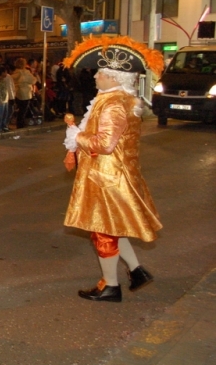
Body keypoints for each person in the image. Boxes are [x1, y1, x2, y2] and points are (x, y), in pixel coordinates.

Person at [63, 37, 163, 303]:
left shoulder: (114, 104)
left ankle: (110, 286)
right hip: (113, 174)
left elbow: (105, 144)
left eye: (101, 73)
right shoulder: (115, 99)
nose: (95, 76)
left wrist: (76, 137)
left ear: (114, 77)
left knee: (103, 231)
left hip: (106, 177)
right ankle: (136, 270)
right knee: (113, 227)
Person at [12, 57, 37, 128]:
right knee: (23, 110)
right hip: (26, 93)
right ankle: (20, 123)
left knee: (20, 109)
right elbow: (33, 80)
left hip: (17, 93)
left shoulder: (15, 72)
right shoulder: (26, 72)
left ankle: (19, 122)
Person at [0, 65, 14, 132]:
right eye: (5, 72)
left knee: (5, 113)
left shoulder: (4, 79)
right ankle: (0, 127)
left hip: (5, 99)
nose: (6, 73)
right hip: (1, 99)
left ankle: (3, 126)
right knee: (1, 114)